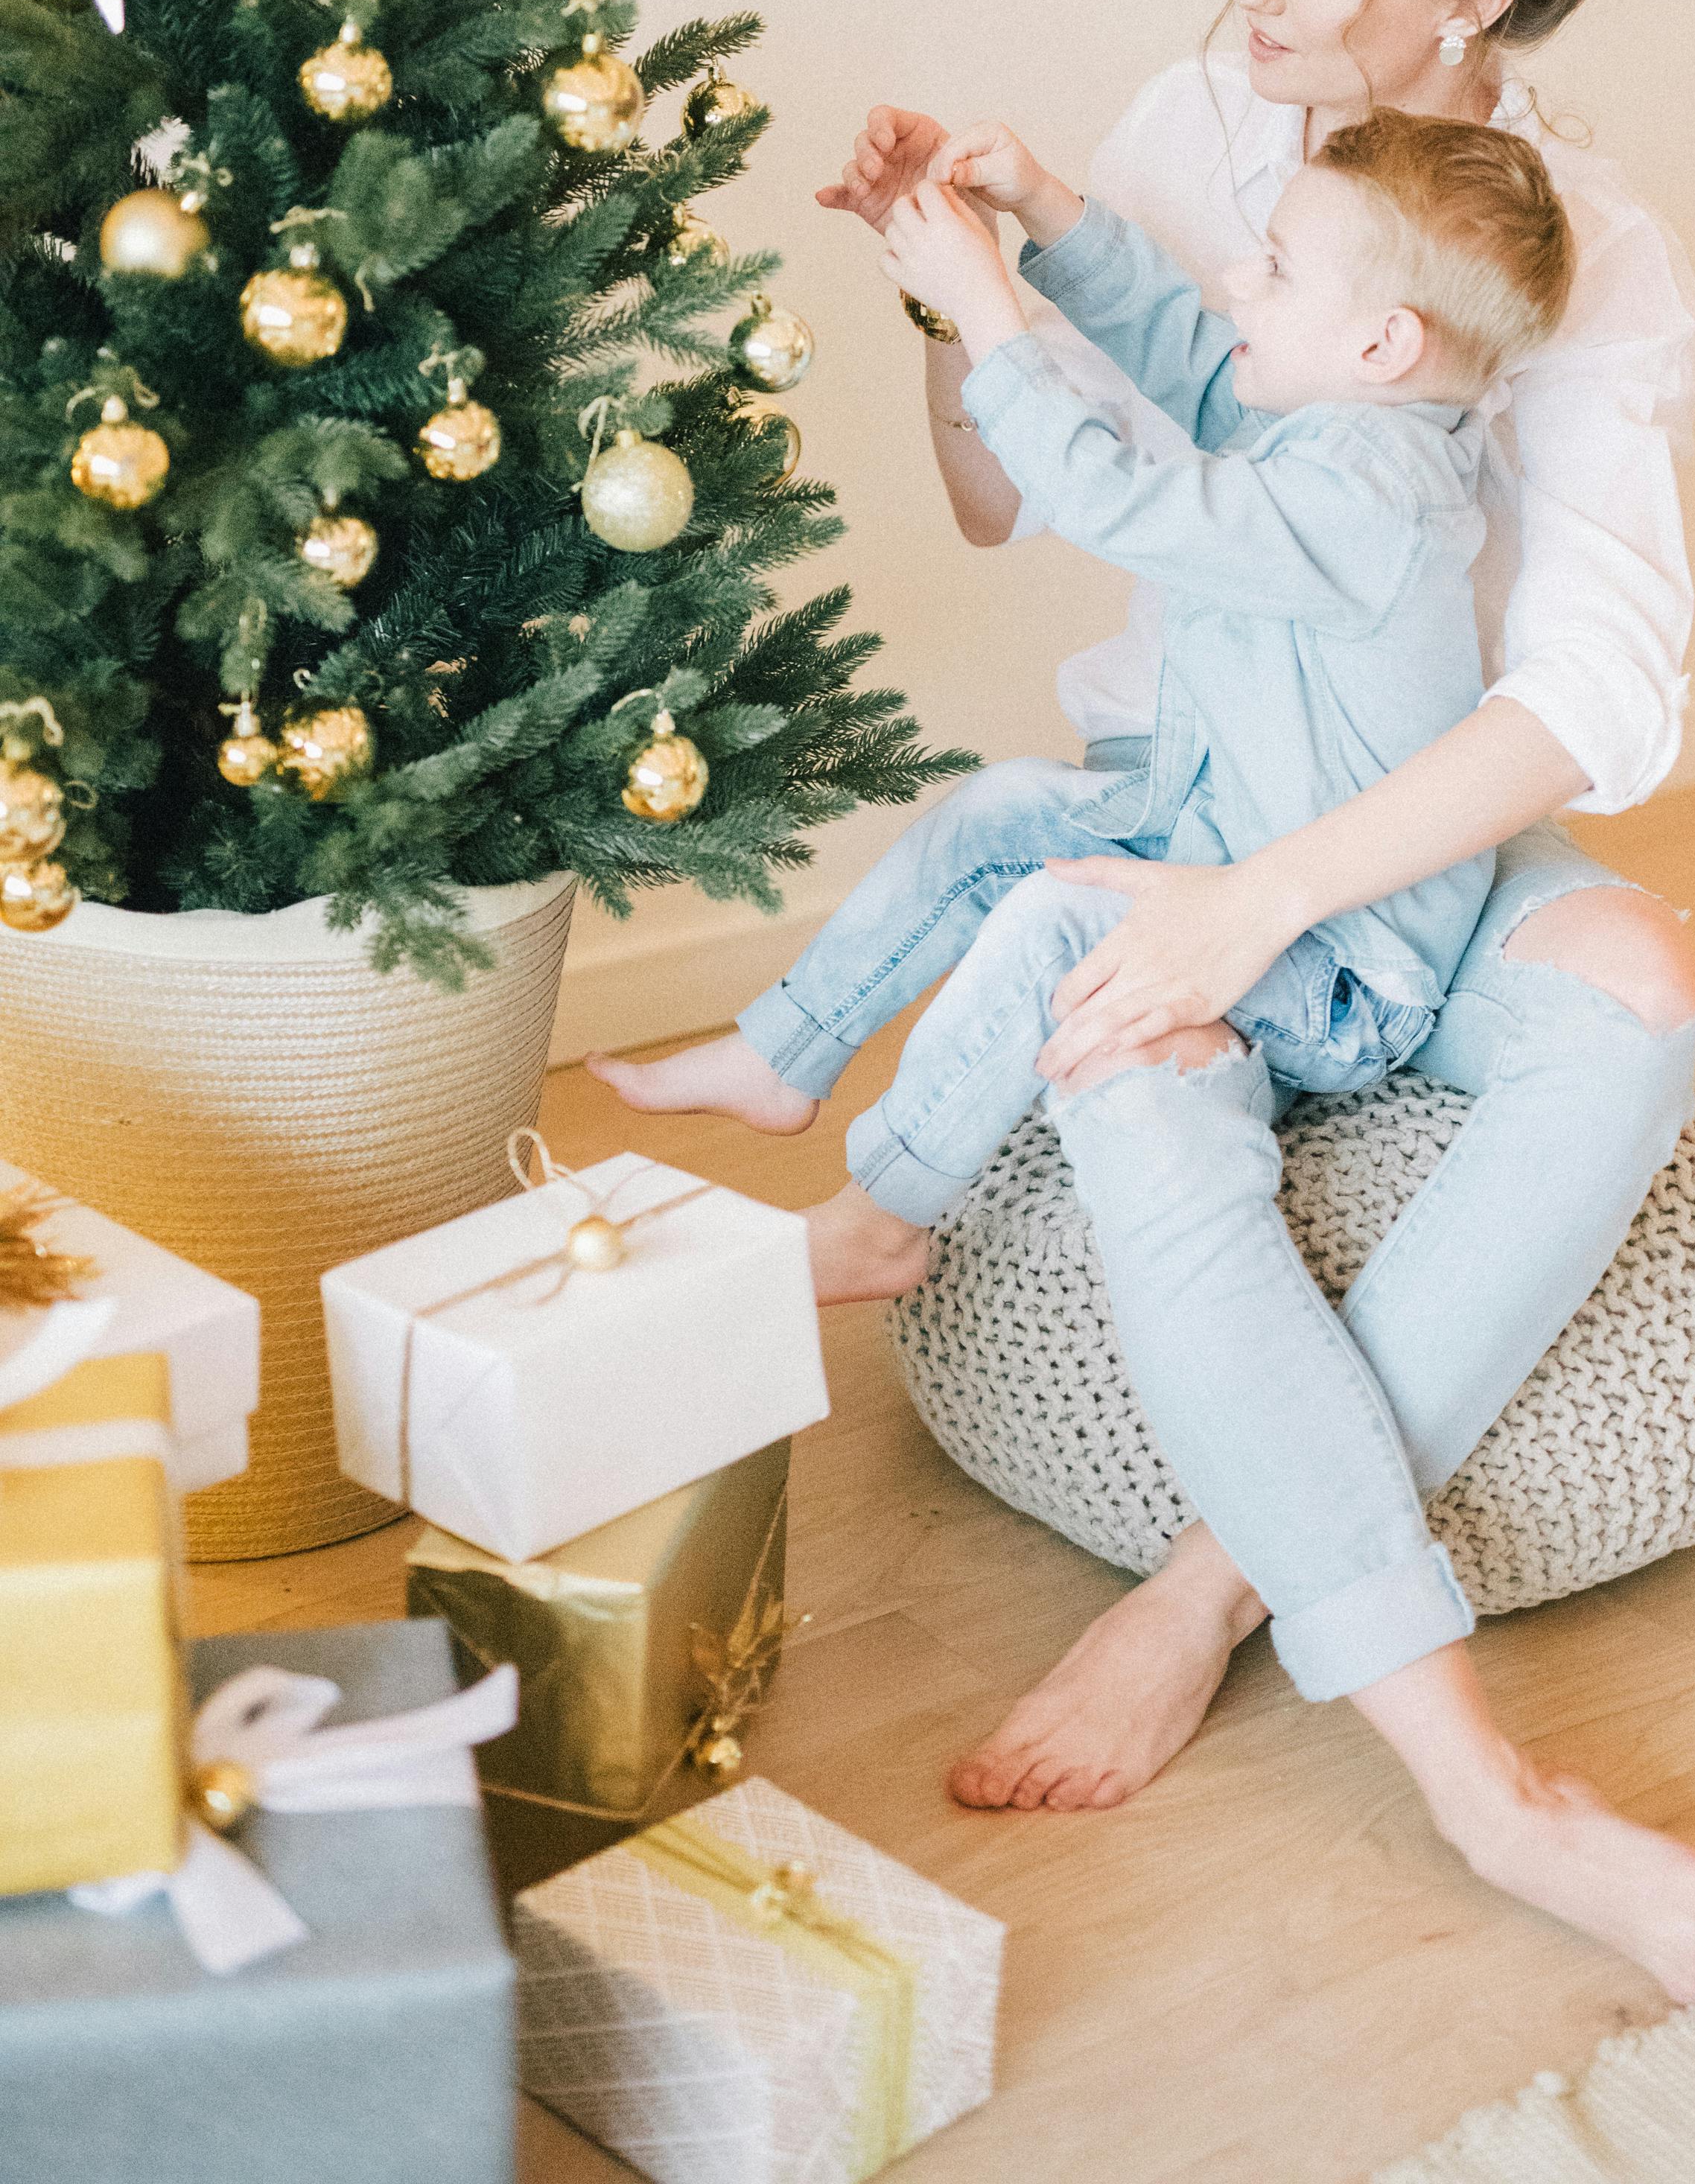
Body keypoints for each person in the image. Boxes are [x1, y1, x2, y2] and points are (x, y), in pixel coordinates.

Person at [616, 0, 1695, 2004]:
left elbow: (1589, 693)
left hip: (1386, 829)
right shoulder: (1217, 123)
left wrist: (1260, 909)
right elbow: (1020, 490)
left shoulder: (1575, 259)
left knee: (1638, 987)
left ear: (1476, 5)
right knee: (1118, 1001)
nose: (1254, 5)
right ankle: (1405, 1693)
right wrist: (969, 299)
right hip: (1204, 766)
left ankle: (1211, 1580)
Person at [597, 110, 1574, 1733]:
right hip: (1215, 827)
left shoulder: (1377, 495)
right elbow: (1196, 356)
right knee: (1001, 810)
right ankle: (788, 1055)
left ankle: (885, 1208)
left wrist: (991, 309)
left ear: (1384, 339)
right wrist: (1048, 212)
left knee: (1056, 913)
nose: (1239, 282)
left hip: (1335, 965)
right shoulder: (1329, 421)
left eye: (1275, 264)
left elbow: (1128, 500)